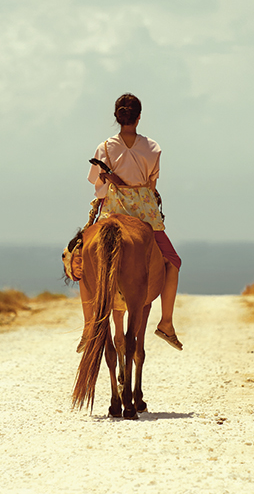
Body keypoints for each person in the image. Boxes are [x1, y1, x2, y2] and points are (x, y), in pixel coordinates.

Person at [87, 93, 183, 351]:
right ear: (139, 118)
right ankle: (166, 323)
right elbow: (152, 184)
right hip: (145, 216)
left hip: (113, 212)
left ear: (117, 118)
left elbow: (96, 183)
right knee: (173, 261)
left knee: (81, 258)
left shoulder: (104, 148)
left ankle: (88, 327)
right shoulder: (153, 148)